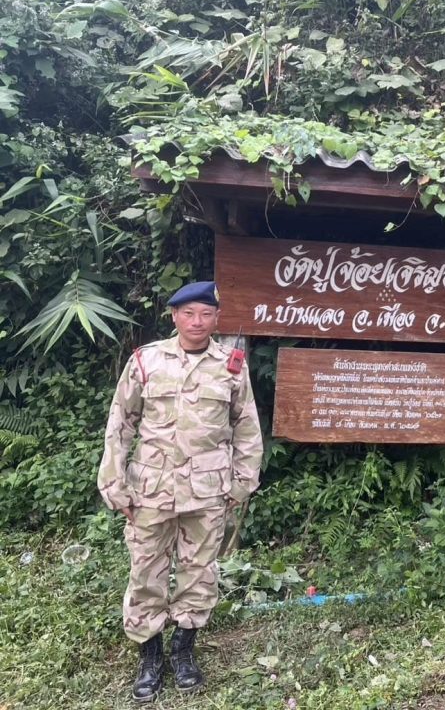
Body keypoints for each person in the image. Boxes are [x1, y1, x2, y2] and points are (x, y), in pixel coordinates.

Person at [97, 281, 264, 702]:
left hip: (207, 492)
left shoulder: (231, 365)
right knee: (146, 572)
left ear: (216, 318)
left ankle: (184, 650)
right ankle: (150, 656)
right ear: (174, 316)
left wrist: (243, 482)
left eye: (206, 314)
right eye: (188, 313)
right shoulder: (146, 360)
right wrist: (114, 483)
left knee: (199, 571)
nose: (197, 322)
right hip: (151, 490)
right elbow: (121, 423)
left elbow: (246, 427)